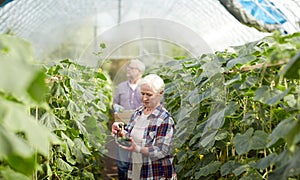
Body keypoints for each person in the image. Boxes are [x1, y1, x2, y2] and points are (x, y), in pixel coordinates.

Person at [112, 74, 177, 180]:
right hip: (136, 171)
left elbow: (162, 151)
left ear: (160, 94)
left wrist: (137, 148)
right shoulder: (138, 112)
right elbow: (128, 135)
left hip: (155, 174)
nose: (144, 98)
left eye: (149, 94)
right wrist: (119, 130)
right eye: (142, 93)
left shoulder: (164, 119)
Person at [113, 59, 145, 180]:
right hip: (123, 128)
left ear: (139, 71)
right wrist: (116, 107)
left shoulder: (145, 86)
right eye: (128, 67)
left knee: (139, 162)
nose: (128, 69)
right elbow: (115, 102)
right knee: (122, 163)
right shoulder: (121, 86)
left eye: (131, 68)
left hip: (141, 129)